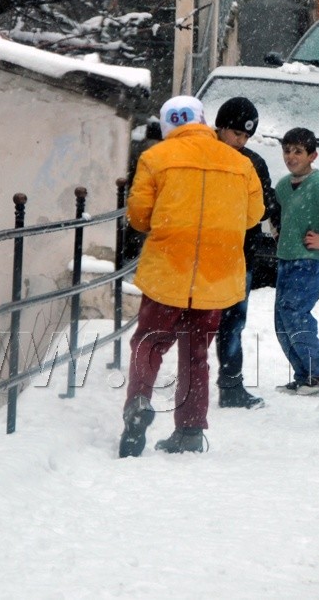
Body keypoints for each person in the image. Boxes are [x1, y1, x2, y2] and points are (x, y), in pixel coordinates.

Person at [119, 95, 264, 457]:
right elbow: (252, 216)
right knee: (196, 352)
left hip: (168, 269)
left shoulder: (155, 158)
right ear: (203, 121)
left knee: (149, 343)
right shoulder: (240, 163)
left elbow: (138, 216)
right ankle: (190, 429)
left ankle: (138, 404)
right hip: (215, 274)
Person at [212, 97, 279, 411]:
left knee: (233, 322)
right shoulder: (205, 157)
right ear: (220, 128)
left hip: (240, 257)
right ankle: (189, 380)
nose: (240, 141)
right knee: (197, 321)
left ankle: (231, 384)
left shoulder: (253, 162)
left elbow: (264, 207)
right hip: (207, 254)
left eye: (245, 137)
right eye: (235, 134)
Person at [273, 127, 319, 396]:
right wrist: (278, 231)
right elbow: (275, 211)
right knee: (281, 320)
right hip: (286, 258)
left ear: (313, 155)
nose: (291, 157)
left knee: (295, 313)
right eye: (287, 151)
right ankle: (304, 375)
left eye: (298, 151)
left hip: (310, 261)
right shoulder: (282, 186)